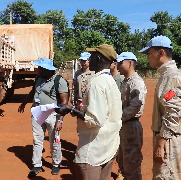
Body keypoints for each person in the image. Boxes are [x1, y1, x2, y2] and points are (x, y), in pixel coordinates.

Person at [56, 44, 123, 180]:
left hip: (93, 150)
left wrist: (70, 109)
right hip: (108, 147)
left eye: (91, 57)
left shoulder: (97, 83)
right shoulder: (110, 81)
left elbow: (95, 120)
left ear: (98, 59)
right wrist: (79, 110)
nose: (88, 60)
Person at [139, 36, 181, 179]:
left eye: (149, 53)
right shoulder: (166, 75)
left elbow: (173, 114)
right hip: (166, 138)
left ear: (161, 52)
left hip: (168, 139)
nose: (147, 56)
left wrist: (161, 143)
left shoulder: (172, 77)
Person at [18, 57, 69, 177]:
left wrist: (60, 121)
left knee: (54, 140)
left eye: (41, 68)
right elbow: (33, 92)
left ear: (48, 69)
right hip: (37, 112)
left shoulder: (59, 81)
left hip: (53, 114)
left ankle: (56, 164)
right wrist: (24, 103)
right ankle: (37, 165)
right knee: (37, 139)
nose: (38, 69)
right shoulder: (38, 78)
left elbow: (64, 102)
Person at [116, 52, 147, 180]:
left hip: (130, 125)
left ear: (130, 63)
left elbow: (135, 107)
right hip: (123, 125)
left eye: (120, 62)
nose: (118, 65)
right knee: (122, 160)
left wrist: (117, 118)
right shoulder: (126, 81)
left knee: (132, 165)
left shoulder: (136, 82)